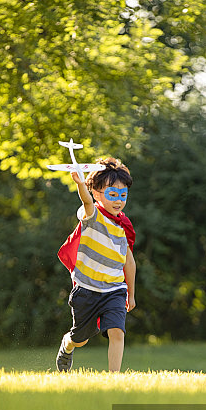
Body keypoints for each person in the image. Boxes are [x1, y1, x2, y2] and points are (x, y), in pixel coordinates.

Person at [56, 157, 136, 373]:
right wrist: (80, 184)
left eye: (122, 195)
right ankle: (68, 344)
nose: (118, 201)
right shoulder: (92, 215)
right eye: (112, 194)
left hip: (114, 289)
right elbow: (86, 203)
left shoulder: (123, 225)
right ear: (97, 193)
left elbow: (129, 261)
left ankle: (114, 379)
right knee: (80, 339)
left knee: (117, 332)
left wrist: (131, 293)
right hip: (87, 289)